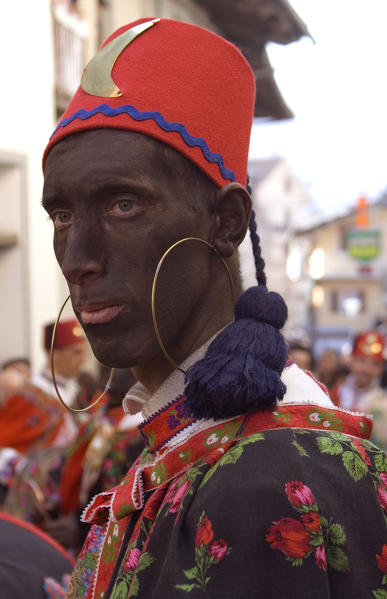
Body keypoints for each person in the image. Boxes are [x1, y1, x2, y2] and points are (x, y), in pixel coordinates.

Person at [42, 18, 386, 599]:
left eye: (124, 205)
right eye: (62, 215)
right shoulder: (186, 441)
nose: (77, 257)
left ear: (226, 222)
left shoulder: (262, 478)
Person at [0, 319, 86, 453]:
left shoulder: (79, 389)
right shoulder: (30, 394)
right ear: (53, 353)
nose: (83, 360)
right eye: (76, 352)